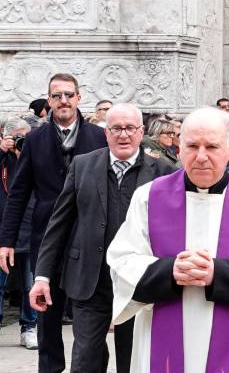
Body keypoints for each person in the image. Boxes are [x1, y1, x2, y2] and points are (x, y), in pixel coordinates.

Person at [106, 107, 229, 372]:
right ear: (179, 149)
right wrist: (169, 270)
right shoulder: (148, 197)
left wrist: (216, 274)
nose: (201, 156)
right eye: (192, 146)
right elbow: (122, 262)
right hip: (162, 342)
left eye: (212, 146)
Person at [28, 103, 175, 373]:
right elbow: (59, 224)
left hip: (139, 286)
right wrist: (42, 276)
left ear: (141, 132)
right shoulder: (83, 165)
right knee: (85, 360)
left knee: (133, 361)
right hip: (89, 282)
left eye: (130, 128)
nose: (123, 135)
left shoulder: (163, 173)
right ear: (106, 132)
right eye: (116, 128)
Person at [0, 73, 108, 372]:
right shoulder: (35, 139)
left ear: (79, 98)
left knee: (90, 312)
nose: (63, 101)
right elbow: (19, 193)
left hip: (89, 238)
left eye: (69, 95)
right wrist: (6, 241)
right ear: (49, 100)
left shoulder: (99, 138)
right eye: (57, 95)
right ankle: (50, 368)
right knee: (47, 312)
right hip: (46, 238)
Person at [0, 119, 38, 350]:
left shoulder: (34, 157)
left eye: (26, 136)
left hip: (30, 230)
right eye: (17, 136)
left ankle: (29, 327)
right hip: (3, 232)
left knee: (31, 284)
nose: (21, 141)